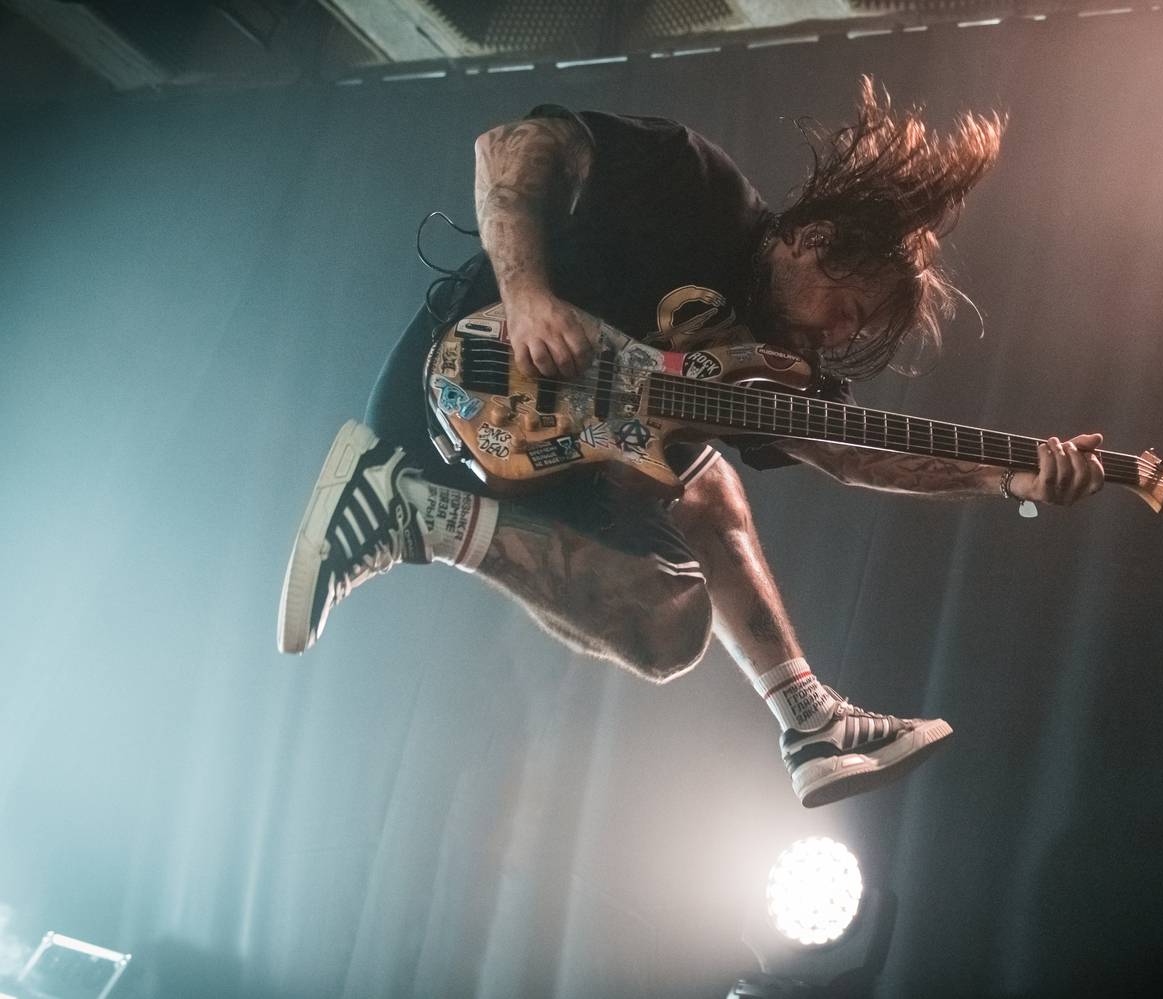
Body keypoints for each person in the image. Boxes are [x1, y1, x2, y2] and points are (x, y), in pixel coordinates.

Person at [276, 78, 1105, 808]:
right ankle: (405, 507)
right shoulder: (690, 182)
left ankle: (810, 723)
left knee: (672, 626)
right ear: (815, 239)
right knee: (707, 486)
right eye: (850, 309)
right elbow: (508, 146)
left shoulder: (770, 362)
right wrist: (529, 296)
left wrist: (1012, 478)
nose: (841, 335)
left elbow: (852, 452)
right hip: (451, 399)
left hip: (561, 472)